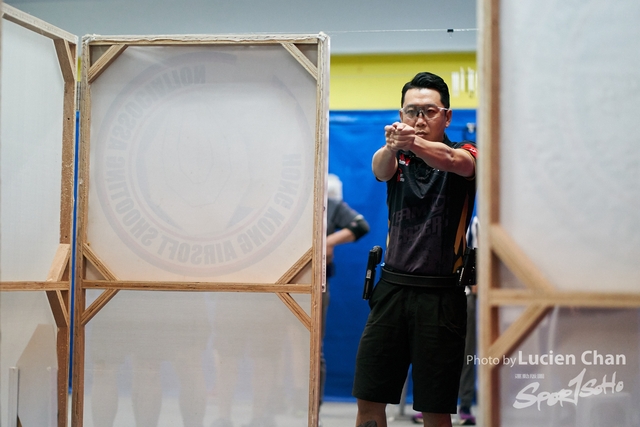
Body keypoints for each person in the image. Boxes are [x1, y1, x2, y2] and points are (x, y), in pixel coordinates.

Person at [352, 72, 477, 427]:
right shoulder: (397, 156)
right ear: (400, 114)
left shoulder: (467, 153)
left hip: (441, 296)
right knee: (369, 400)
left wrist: (412, 142)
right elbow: (380, 168)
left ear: (447, 116)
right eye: (411, 111)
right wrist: (393, 146)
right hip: (391, 291)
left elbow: (453, 162)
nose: (419, 120)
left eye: (429, 111)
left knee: (435, 411)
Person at [321, 173, 370, 405]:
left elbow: (360, 226)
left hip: (317, 282)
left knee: (312, 347)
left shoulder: (330, 205)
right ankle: (287, 400)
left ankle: (311, 406)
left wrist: (328, 242)